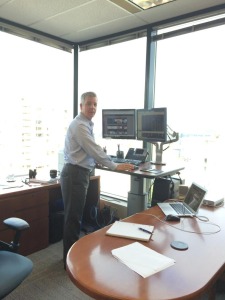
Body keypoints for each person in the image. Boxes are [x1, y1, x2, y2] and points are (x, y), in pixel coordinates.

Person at [60, 91, 134, 269]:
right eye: (89, 104)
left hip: (80, 173)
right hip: (75, 174)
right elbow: (93, 149)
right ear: (81, 106)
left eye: (95, 104)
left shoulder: (85, 124)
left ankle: (70, 257)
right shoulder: (79, 125)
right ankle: (69, 263)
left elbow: (90, 151)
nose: (92, 107)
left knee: (76, 216)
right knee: (73, 218)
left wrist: (104, 161)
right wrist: (114, 165)